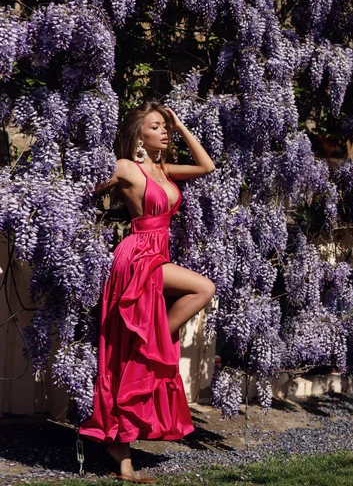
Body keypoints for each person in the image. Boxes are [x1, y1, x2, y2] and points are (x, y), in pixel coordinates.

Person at [79, 101, 216, 483]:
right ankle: (159, 334)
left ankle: (123, 463)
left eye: (164, 126)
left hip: (158, 254)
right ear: (139, 135)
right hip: (137, 256)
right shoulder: (127, 168)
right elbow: (86, 187)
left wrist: (182, 125)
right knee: (204, 286)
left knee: (130, 356)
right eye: (156, 126)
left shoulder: (163, 169)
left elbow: (207, 167)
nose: (164, 131)